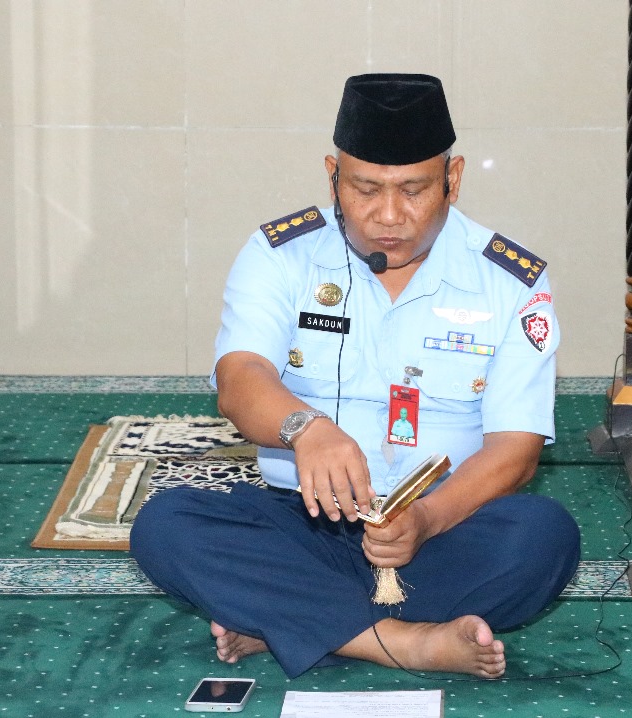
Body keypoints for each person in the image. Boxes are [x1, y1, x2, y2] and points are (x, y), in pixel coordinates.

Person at [131, 73, 579, 679]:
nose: (388, 216)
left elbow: (515, 451)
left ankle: (288, 617)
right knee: (166, 525)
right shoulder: (281, 254)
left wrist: (424, 521)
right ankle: (406, 641)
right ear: (333, 177)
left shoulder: (510, 280)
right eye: (365, 189)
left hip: (439, 530)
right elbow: (240, 378)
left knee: (543, 537)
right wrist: (306, 429)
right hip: (304, 524)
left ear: (453, 179)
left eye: (413, 190)